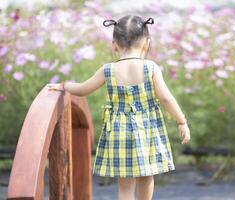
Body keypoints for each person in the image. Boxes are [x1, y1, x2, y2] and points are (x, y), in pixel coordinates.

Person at [47, 15, 190, 200]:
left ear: (114, 45)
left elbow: (82, 89)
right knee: (147, 177)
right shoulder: (151, 68)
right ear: (147, 44)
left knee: (125, 185)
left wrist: (64, 85)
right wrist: (182, 121)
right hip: (147, 130)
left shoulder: (108, 70)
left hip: (119, 131)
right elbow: (166, 98)